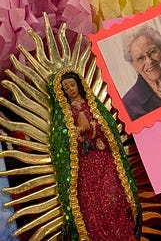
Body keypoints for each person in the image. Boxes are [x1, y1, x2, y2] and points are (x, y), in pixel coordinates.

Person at [50, 70, 141, 241]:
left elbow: (109, 130)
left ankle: (123, 235)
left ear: (79, 84)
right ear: (62, 93)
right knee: (93, 206)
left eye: (72, 84)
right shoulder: (64, 116)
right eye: (66, 87)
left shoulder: (93, 106)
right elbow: (62, 144)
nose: (70, 89)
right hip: (85, 168)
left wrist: (97, 132)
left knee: (114, 198)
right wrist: (78, 133)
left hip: (106, 162)